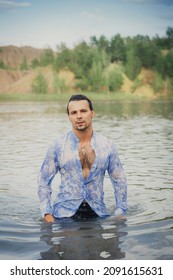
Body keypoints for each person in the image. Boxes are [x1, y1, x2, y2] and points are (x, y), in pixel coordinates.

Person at [38, 94, 127, 223]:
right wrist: (46, 213)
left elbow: (120, 181)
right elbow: (43, 180)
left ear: (92, 113)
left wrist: (120, 210)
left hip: (98, 214)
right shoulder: (58, 146)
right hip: (64, 215)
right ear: (69, 117)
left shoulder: (107, 145)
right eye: (73, 113)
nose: (79, 116)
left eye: (83, 111)